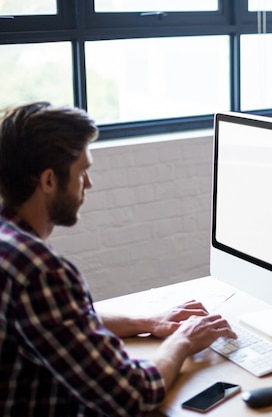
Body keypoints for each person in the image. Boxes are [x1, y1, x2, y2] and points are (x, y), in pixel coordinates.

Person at [0, 102, 237, 416]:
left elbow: (63, 321)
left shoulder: (10, 245)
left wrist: (147, 322)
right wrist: (183, 340)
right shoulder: (40, 271)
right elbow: (131, 394)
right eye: (82, 171)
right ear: (48, 181)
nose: (89, 184)